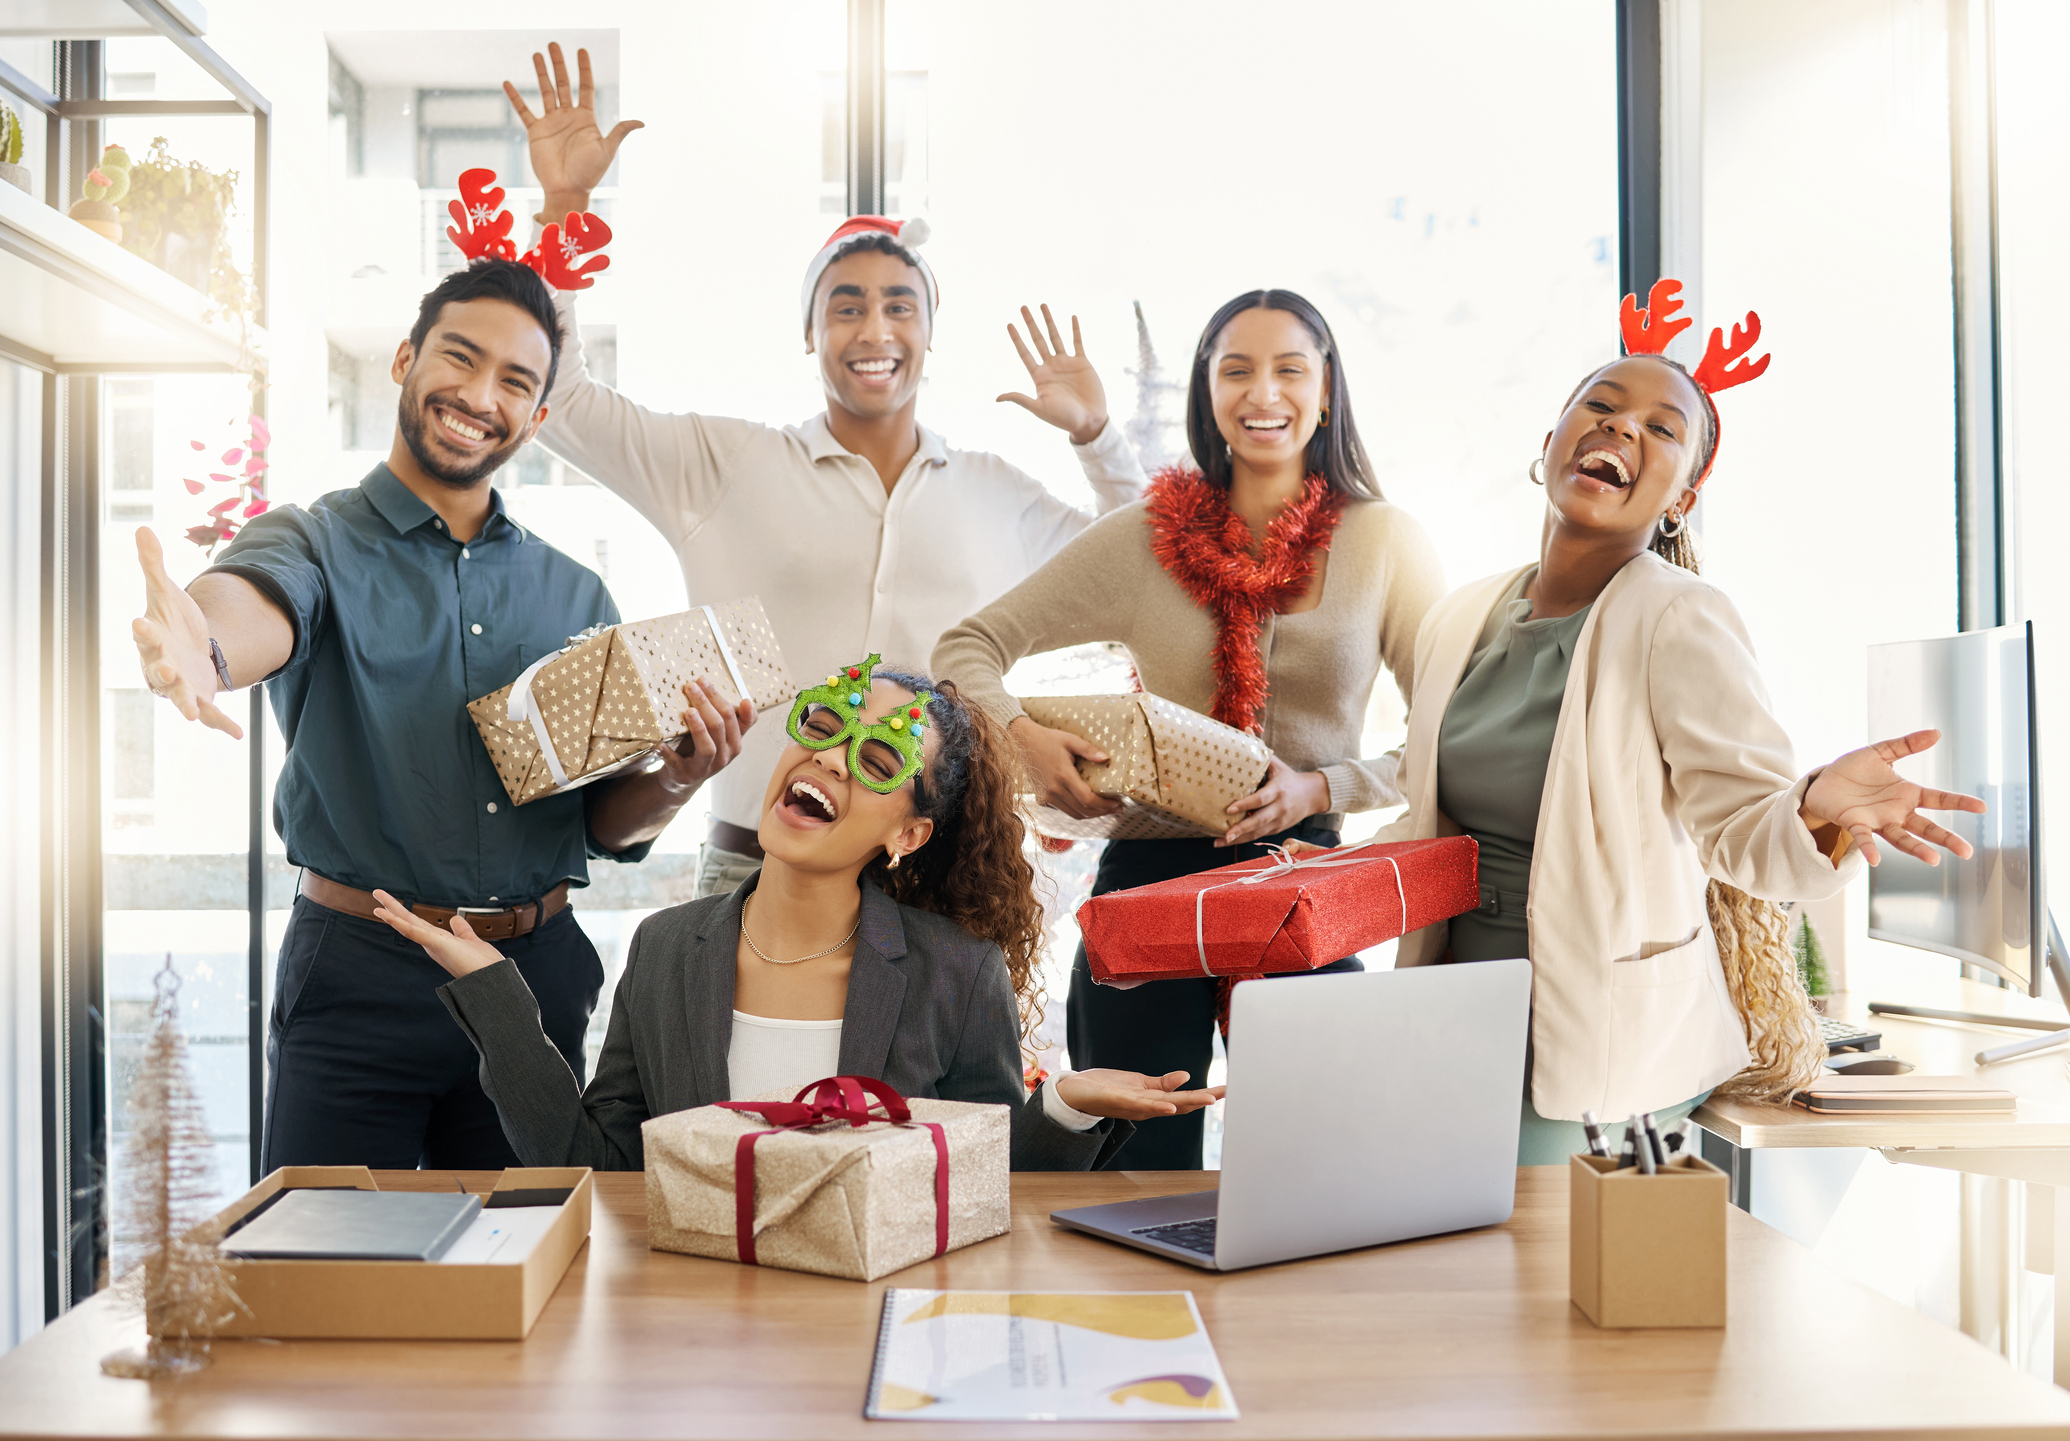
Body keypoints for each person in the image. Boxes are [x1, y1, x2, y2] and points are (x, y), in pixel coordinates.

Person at [131, 257, 752, 1171]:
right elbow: (253, 603)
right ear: (404, 360)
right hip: (358, 975)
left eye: (515, 381)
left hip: (533, 978)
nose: (478, 394)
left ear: (537, 418)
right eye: (459, 357)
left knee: (529, 1284)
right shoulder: (313, 539)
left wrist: (675, 778)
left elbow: (604, 824)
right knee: (325, 1274)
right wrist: (205, 651)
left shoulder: (574, 591)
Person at [500, 43, 1151, 900]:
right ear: (810, 333)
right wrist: (564, 207)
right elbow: (569, 402)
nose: (873, 328)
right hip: (751, 867)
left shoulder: (997, 493)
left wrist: (1099, 435)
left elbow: (1145, 559)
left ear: (929, 331)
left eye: (898, 305)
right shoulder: (727, 464)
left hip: (940, 870)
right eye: (845, 306)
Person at [1377, 280, 1985, 1160]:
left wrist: (1815, 805)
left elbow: (1742, 833)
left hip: (1598, 1025)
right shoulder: (1462, 613)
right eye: (1603, 405)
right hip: (1452, 1000)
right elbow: (1423, 796)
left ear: (1681, 501)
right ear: (1549, 443)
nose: (1624, 427)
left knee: (1526, 1273)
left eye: (1662, 430)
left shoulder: (1679, 617)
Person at [932, 289, 1447, 1169]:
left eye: (1290, 369)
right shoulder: (1141, 536)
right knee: (1132, 1164)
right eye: (1235, 369)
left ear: (1327, 393)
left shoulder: (1386, 541)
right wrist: (1023, 736)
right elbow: (966, 646)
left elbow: (1447, 728)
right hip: (1150, 882)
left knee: (1319, 1159)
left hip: (1301, 879)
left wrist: (1323, 787)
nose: (1263, 393)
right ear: (1206, 392)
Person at [373, 658, 1223, 1170]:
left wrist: (1069, 1103)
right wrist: (499, 999)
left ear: (909, 832)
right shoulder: (666, 948)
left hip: (872, 1325)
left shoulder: (954, 972)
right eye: (826, 722)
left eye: (881, 757)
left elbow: (987, 1180)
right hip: (696, 1328)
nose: (831, 757)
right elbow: (594, 1163)